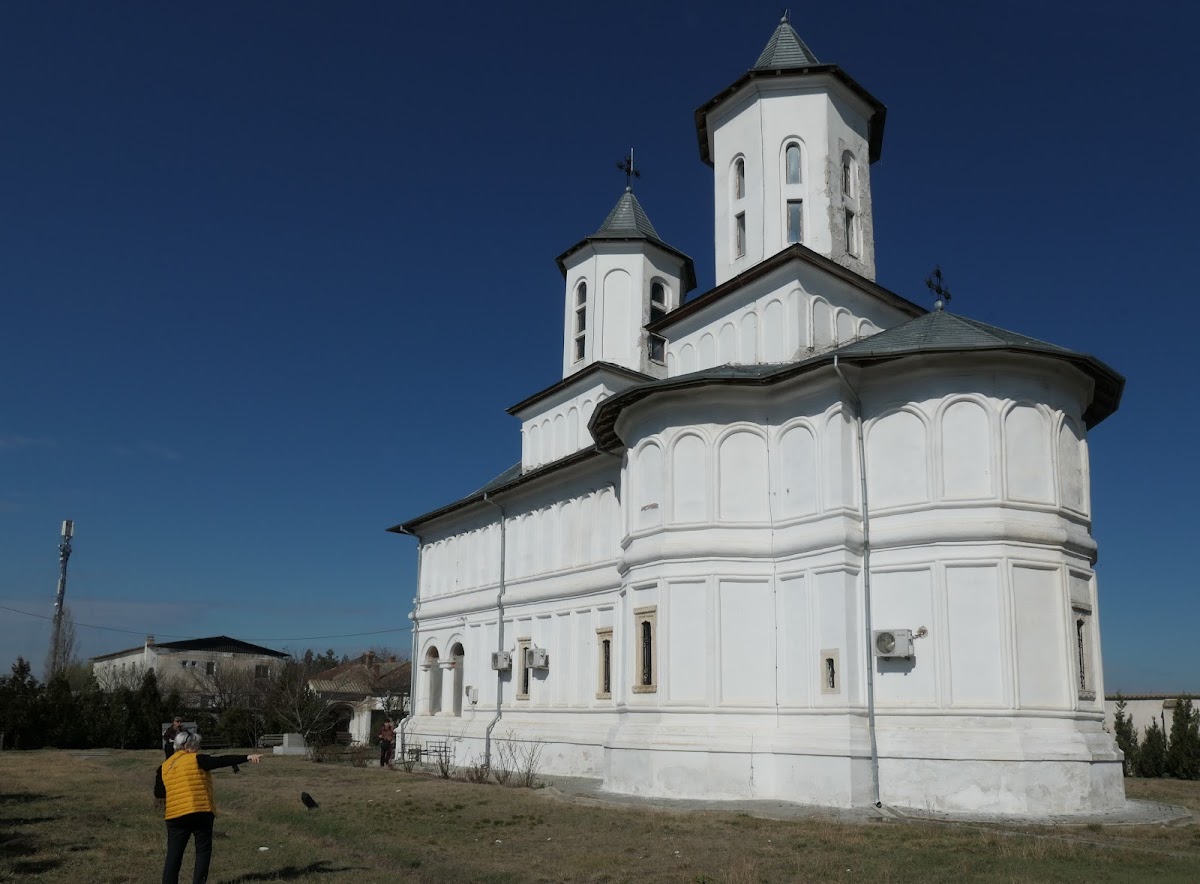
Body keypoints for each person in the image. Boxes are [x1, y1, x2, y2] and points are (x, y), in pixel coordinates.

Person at [153, 730, 263, 884]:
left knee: (174, 855)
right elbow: (220, 761)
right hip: (200, 811)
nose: (197, 748)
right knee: (203, 851)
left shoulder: (163, 767)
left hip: (175, 816)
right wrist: (247, 757)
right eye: (196, 745)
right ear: (188, 746)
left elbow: (159, 793)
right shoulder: (197, 759)